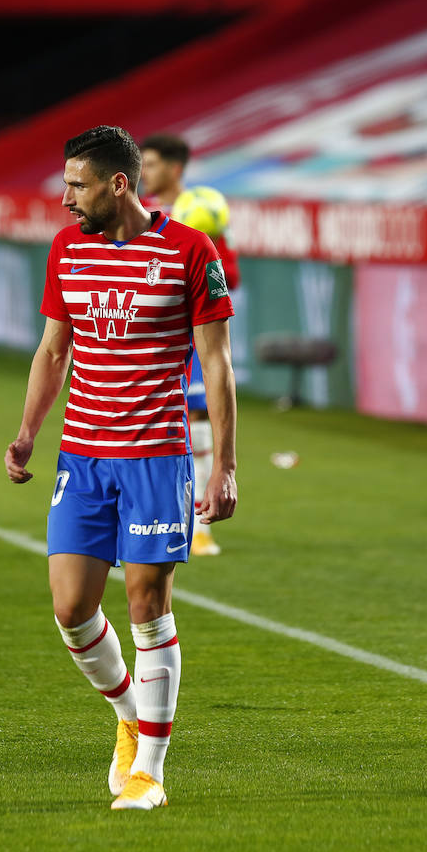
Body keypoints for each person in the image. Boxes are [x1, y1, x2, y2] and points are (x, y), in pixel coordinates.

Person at [5, 125, 238, 811]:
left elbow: (218, 366)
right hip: (83, 452)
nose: (66, 198)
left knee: (146, 605)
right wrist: (26, 434)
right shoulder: (67, 250)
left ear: (117, 184)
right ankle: (132, 715)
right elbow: (54, 352)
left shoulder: (191, 251)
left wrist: (223, 466)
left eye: (77, 185)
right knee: (71, 609)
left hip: (157, 460)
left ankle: (150, 773)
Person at [139, 133, 241, 556]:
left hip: (193, 335)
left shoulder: (203, 211)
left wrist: (210, 254)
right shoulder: (139, 213)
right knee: (147, 424)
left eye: (152, 163)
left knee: (198, 416)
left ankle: (199, 525)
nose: (145, 171)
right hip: (153, 337)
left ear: (175, 168)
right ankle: (142, 522)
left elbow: (229, 278)